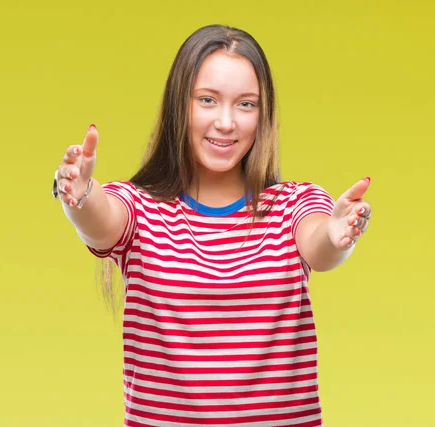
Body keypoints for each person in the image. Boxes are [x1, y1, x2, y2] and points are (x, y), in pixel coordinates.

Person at [52, 24, 371, 427]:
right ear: (179, 106)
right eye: (207, 100)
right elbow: (101, 219)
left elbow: (320, 243)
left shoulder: (293, 204)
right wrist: (77, 193)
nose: (225, 123)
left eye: (246, 104)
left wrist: (339, 233)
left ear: (264, 113)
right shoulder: (142, 207)